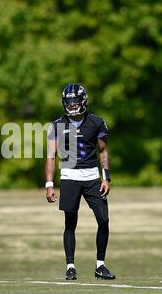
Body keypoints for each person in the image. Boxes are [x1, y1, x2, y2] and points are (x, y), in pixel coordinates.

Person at [45, 83, 116, 280]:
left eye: (76, 102)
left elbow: (103, 150)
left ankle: (100, 265)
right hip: (69, 177)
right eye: (69, 102)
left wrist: (106, 177)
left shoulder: (96, 122)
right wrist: (49, 184)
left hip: (92, 177)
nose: (73, 105)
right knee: (70, 223)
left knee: (103, 219)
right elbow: (51, 156)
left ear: (83, 101)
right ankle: (70, 267)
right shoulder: (57, 125)